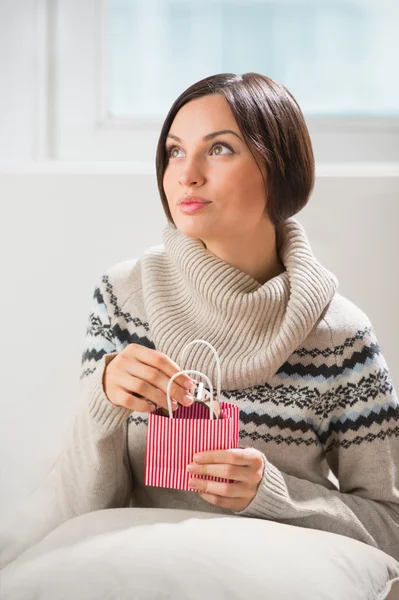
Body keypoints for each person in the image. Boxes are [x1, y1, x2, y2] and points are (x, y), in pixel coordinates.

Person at [1, 72, 398, 569]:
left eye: (219, 149)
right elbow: (78, 507)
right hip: (128, 575)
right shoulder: (123, 298)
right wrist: (102, 399)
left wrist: (275, 496)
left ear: (279, 168)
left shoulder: (341, 337)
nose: (185, 174)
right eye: (173, 151)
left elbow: (391, 526)